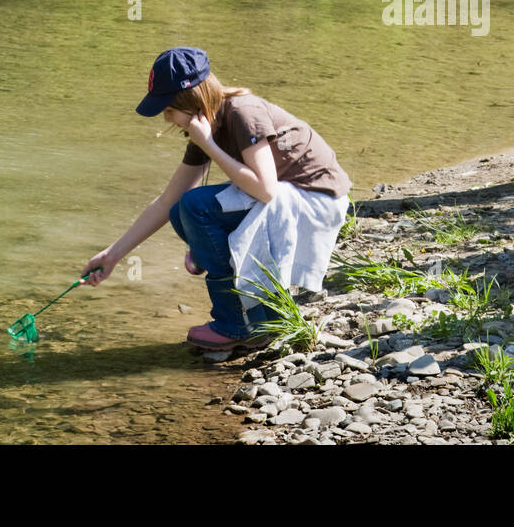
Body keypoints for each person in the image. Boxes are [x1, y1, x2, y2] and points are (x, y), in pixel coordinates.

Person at [82, 47, 352, 352]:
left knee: (196, 207)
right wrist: (114, 254)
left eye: (169, 109)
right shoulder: (210, 122)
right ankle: (265, 317)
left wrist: (209, 144)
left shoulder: (242, 113)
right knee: (180, 208)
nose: (166, 117)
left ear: (192, 100)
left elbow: (266, 189)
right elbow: (166, 202)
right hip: (288, 198)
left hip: (315, 201)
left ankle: (235, 324)